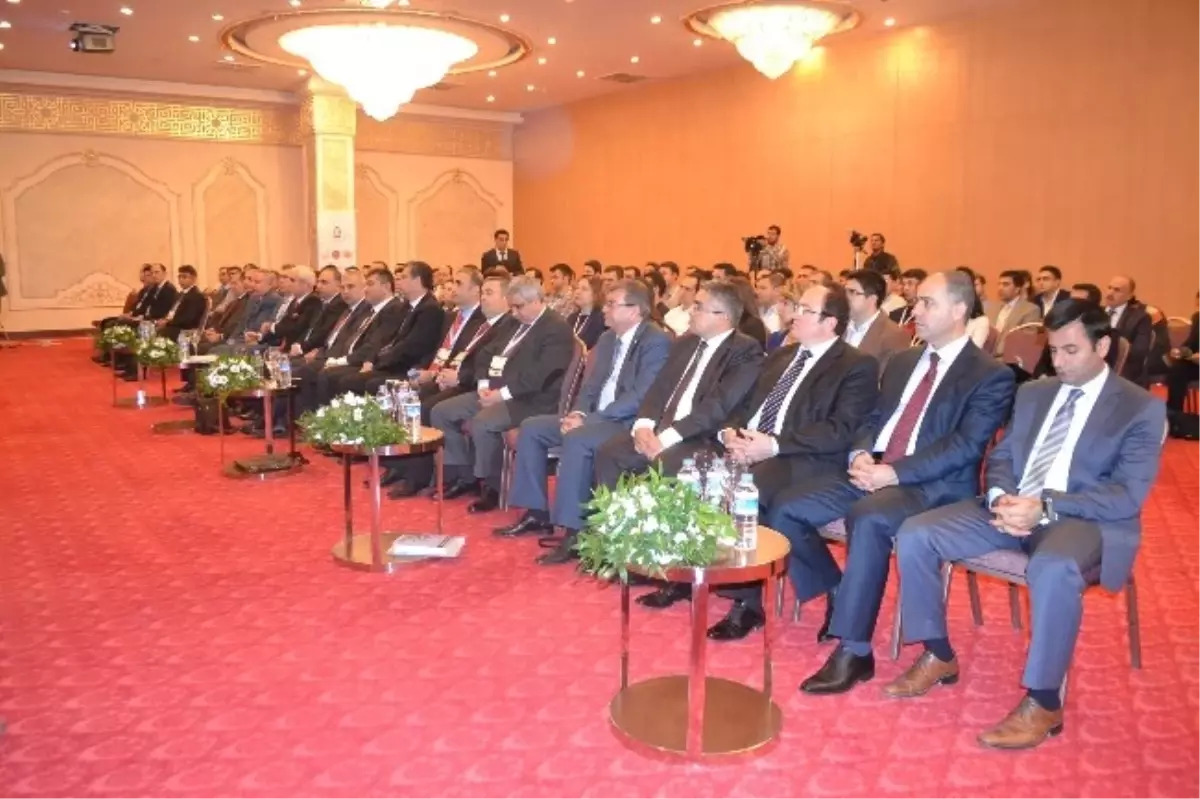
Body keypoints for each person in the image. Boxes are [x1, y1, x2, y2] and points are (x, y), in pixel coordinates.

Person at [887, 300, 1165, 750]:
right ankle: (937, 653)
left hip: (1081, 517)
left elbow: (1126, 494)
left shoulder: (1139, 408)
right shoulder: (1035, 392)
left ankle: (1044, 700)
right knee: (916, 533)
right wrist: (1001, 497)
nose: (1060, 362)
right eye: (1053, 351)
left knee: (1052, 567)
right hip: (1012, 506)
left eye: (1071, 351)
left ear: (1103, 347)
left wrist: (1045, 507)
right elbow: (1002, 456)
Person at [766, 271, 1015, 695]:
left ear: (959, 309)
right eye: (917, 302)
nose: (916, 311)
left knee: (869, 517)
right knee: (786, 508)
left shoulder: (989, 374)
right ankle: (839, 587)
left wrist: (895, 473)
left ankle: (855, 649)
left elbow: (965, 446)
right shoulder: (903, 362)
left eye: (927, 303)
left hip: (933, 486)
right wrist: (861, 453)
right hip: (876, 471)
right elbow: (873, 419)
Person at [647, 284, 881, 639]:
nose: (794, 315)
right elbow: (744, 406)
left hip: (806, 457)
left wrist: (771, 446)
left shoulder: (855, 365)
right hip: (752, 448)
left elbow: (840, 429)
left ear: (830, 322)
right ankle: (686, 572)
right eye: (796, 307)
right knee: (692, 473)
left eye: (805, 309)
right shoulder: (782, 356)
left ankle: (747, 604)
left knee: (743, 491)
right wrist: (730, 433)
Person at [496, 280, 671, 564]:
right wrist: (577, 414)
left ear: (635, 311)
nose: (605, 309)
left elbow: (641, 396)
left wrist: (590, 420)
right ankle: (536, 513)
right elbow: (589, 387)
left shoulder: (656, 341)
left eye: (612, 304)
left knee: (578, 439)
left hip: (628, 422)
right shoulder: (608, 338)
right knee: (533, 427)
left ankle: (574, 532)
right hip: (595, 417)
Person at [592, 281, 763, 490]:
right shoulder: (684, 343)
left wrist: (665, 439)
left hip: (699, 436)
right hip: (660, 429)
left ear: (723, 317)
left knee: (663, 465)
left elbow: (717, 406)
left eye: (698, 307)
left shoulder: (744, 350)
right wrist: (643, 425)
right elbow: (658, 389)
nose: (691, 311)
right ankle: (615, 512)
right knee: (609, 453)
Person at [430, 276, 575, 512]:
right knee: (442, 412)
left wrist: (502, 394)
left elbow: (542, 375)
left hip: (531, 399)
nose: (514, 312)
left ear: (536, 300)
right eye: (512, 306)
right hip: (494, 390)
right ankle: (464, 476)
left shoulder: (555, 328)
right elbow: (485, 354)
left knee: (484, 422)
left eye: (518, 306)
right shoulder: (513, 322)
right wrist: (483, 385)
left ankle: (492, 487)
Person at [842, 269, 910, 371]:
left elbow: (889, 377)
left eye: (852, 292)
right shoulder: (838, 326)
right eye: (844, 291)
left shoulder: (893, 334)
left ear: (872, 299)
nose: (845, 297)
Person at [1103, 275, 1153, 385]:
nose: (1110, 293)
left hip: (1125, 366)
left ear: (1129, 296)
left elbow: (1139, 351)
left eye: (1117, 290)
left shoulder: (1140, 318)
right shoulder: (1095, 313)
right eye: (1109, 288)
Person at [567, 276, 607, 349]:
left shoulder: (601, 320)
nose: (578, 292)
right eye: (577, 288)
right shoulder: (571, 318)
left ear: (596, 294)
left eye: (584, 289)